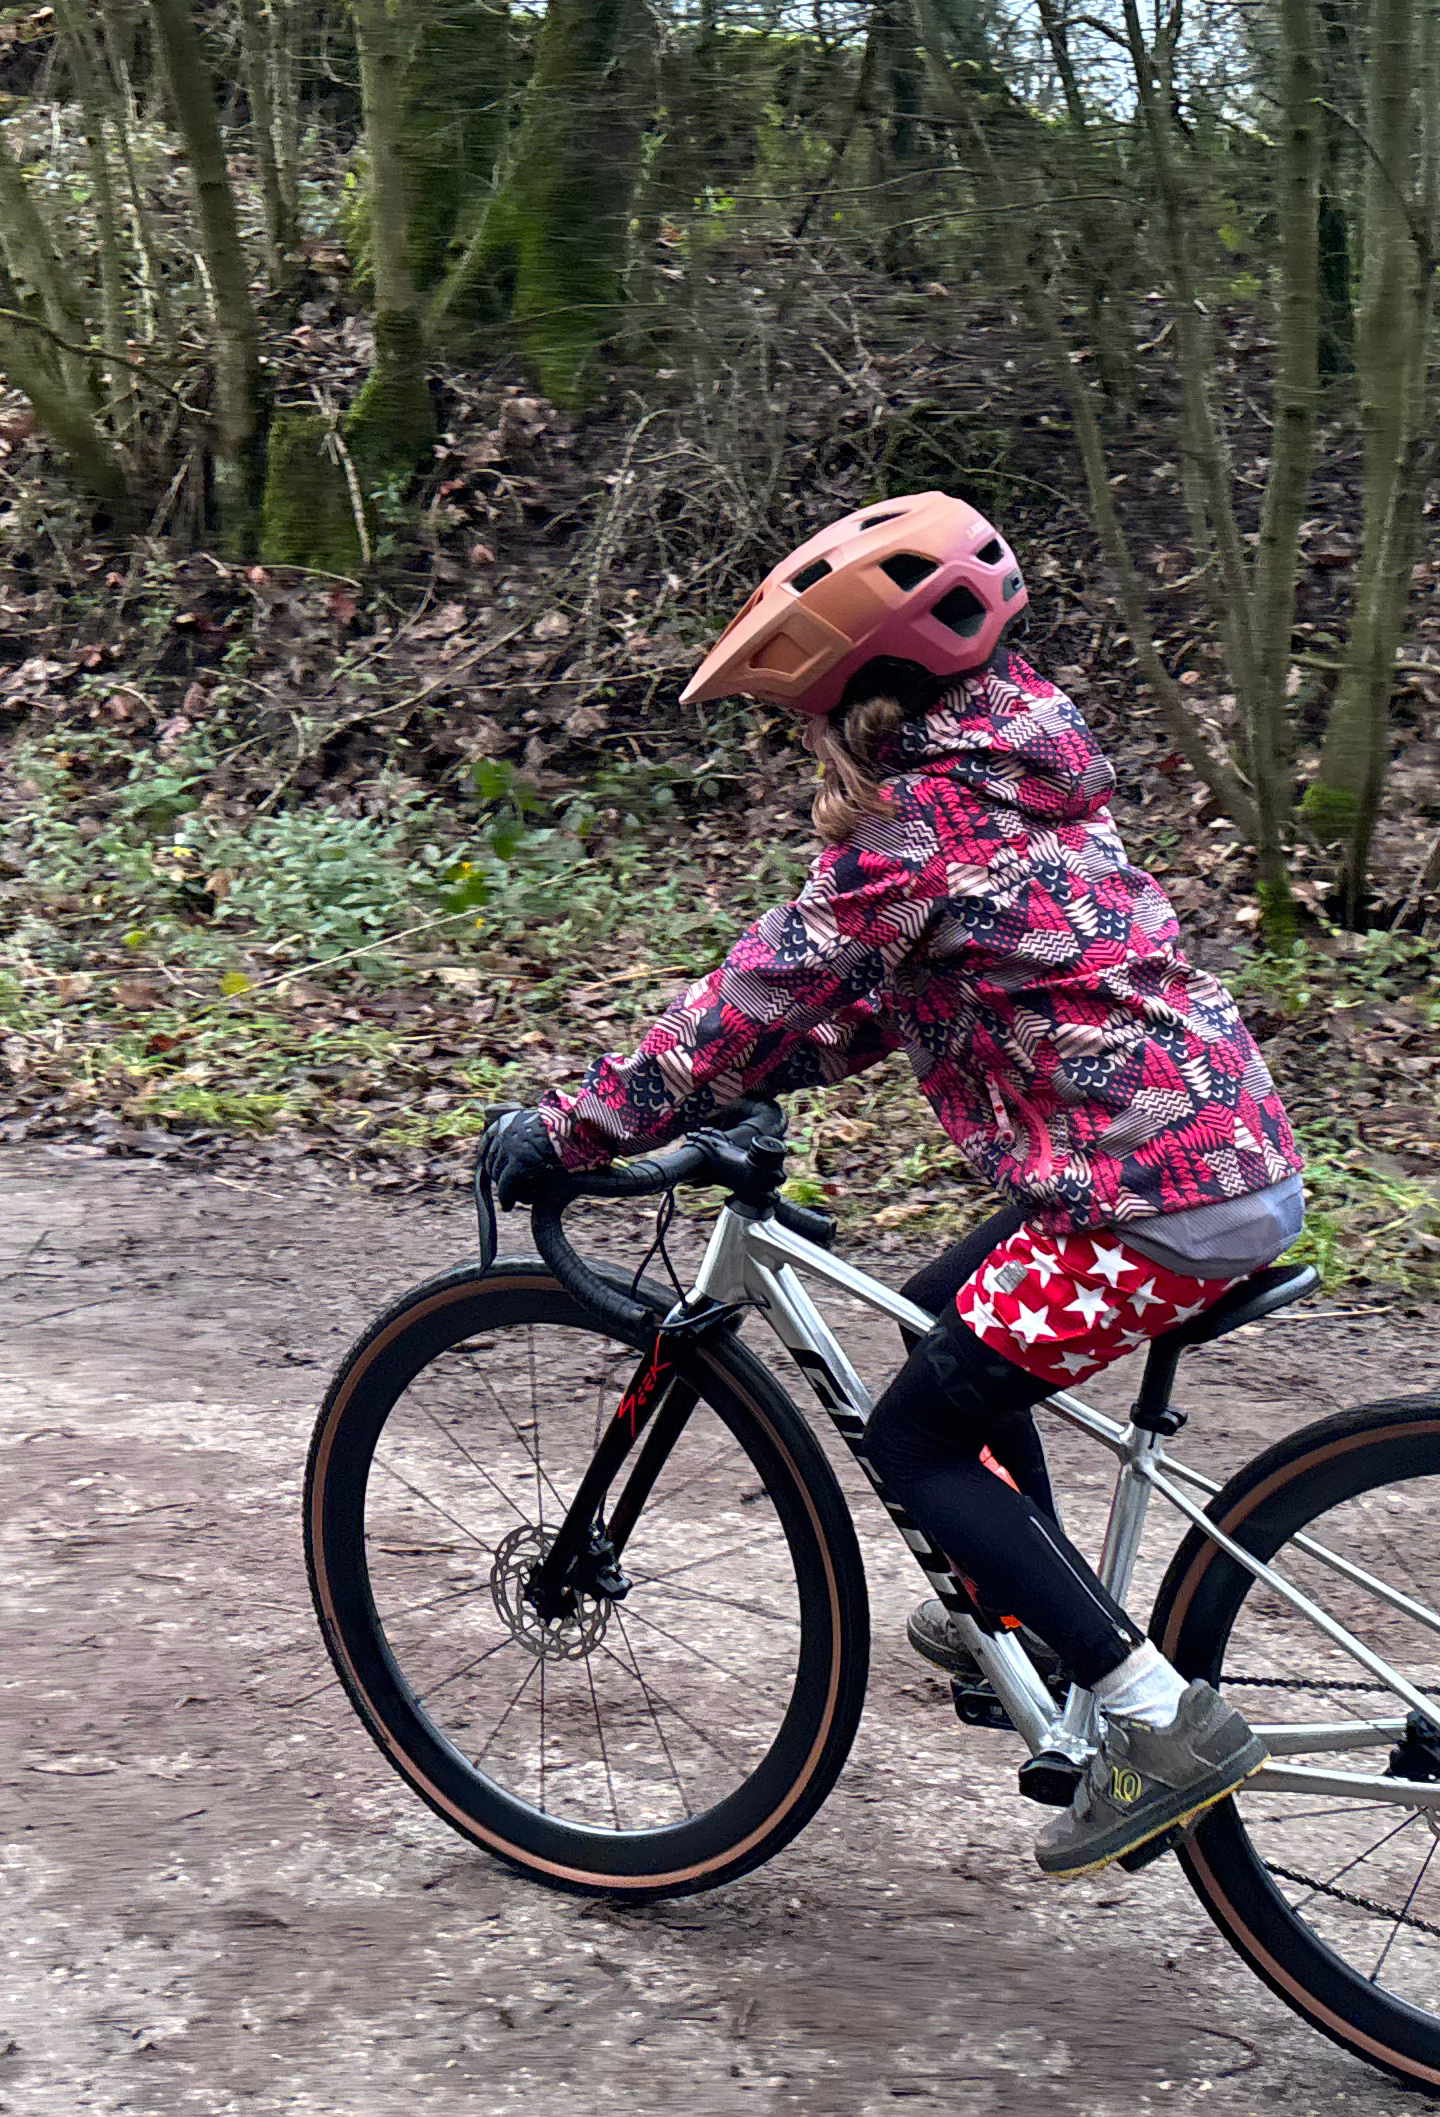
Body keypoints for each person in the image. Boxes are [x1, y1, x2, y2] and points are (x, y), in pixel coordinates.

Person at [477, 490, 1307, 1877]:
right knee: (942, 1320)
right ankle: (1032, 1617)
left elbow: (758, 991)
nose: (800, 752)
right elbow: (882, 1002)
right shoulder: (1022, 785)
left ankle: (1157, 1721)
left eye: (801, 724)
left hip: (1143, 1200)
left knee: (919, 1441)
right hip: (1213, 1158)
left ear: (857, 703)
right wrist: (750, 1092)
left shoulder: (913, 826)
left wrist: (581, 1126)